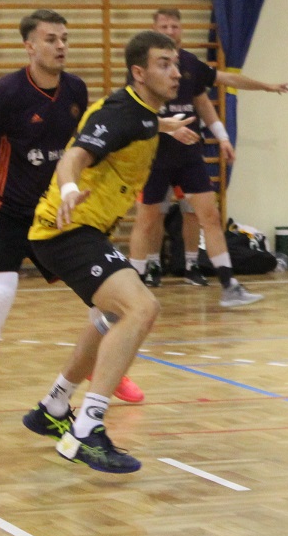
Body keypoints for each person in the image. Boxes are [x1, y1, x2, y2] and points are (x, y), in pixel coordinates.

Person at [0, 9, 145, 427]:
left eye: (64, 39)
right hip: (2, 211)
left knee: (104, 296)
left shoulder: (76, 90)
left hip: (53, 212)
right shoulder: (4, 93)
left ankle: (103, 367)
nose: (60, 46)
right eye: (51, 39)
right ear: (29, 46)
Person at [22, 30, 196, 473]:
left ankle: (54, 407)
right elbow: (74, 157)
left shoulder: (144, 113)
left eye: (175, 63)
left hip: (84, 231)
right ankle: (87, 430)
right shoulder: (119, 112)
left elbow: (140, 125)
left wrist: (166, 127)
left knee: (110, 317)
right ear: (138, 72)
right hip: (66, 230)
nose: (175, 72)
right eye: (163, 64)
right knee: (142, 308)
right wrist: (70, 189)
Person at [129, 7, 288, 305]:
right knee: (147, 219)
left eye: (175, 26)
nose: (170, 31)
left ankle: (229, 285)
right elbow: (136, 113)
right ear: (153, 30)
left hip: (189, 154)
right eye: (164, 26)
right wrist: (168, 129)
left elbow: (217, 86)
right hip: (154, 155)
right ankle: (134, 287)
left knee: (209, 216)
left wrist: (265, 87)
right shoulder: (143, 69)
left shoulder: (190, 64)